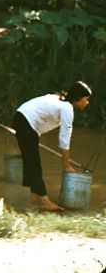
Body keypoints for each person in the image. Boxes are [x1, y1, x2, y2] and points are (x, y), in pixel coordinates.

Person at [12, 80, 92, 211]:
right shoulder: (67, 108)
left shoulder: (60, 100)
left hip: (21, 118)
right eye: (86, 99)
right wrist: (66, 165)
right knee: (33, 162)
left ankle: (34, 196)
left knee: (30, 160)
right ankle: (44, 200)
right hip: (25, 121)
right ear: (78, 98)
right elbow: (64, 139)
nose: (87, 102)